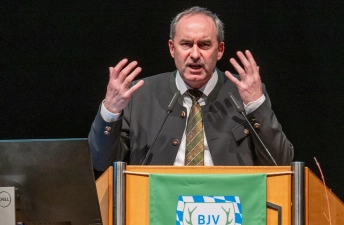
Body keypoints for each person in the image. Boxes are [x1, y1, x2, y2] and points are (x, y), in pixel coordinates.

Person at [88, 6, 293, 171]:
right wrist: (111, 112)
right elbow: (100, 163)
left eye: (204, 45)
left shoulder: (245, 93)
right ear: (172, 48)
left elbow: (281, 164)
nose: (195, 54)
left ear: (219, 50)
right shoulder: (139, 95)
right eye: (186, 44)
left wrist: (256, 105)